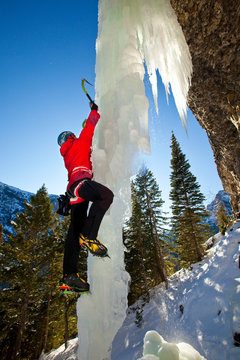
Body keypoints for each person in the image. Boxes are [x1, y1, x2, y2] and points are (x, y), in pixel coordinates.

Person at [58, 102, 114, 293]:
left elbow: (85, 152)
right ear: (71, 137)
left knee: (73, 233)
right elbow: (89, 129)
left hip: (74, 192)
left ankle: (69, 276)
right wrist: (94, 111)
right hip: (81, 184)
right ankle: (89, 236)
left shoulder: (67, 153)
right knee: (105, 196)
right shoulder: (78, 144)